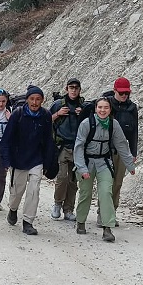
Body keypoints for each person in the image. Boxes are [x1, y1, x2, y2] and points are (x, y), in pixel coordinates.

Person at [74, 97, 136, 242]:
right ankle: (81, 221)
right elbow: (78, 147)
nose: (103, 110)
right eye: (100, 107)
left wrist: (129, 165)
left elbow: (121, 144)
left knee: (106, 192)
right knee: (85, 193)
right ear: (95, 108)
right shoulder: (86, 124)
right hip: (87, 162)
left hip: (104, 162)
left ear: (110, 109)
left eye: (106, 107)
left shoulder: (114, 125)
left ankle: (107, 228)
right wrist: (82, 168)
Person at [0, 85, 56, 235]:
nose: (35, 102)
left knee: (34, 190)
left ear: (43, 100)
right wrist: (6, 161)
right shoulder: (18, 115)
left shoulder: (46, 115)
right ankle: (13, 209)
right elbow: (6, 140)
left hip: (36, 159)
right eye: (32, 99)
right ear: (27, 100)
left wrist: (49, 163)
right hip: (18, 160)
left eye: (38, 99)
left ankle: (28, 222)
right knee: (17, 192)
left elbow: (49, 141)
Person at [49, 78, 87, 221]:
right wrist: (58, 114)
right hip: (62, 147)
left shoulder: (84, 106)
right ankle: (57, 204)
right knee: (62, 177)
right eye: (71, 87)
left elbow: (92, 121)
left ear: (80, 90)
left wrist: (83, 113)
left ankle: (68, 209)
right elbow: (46, 120)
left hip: (78, 148)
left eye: (76, 88)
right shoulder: (58, 104)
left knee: (73, 181)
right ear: (66, 89)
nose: (74, 90)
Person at [103, 77, 139, 227]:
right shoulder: (106, 104)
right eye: (122, 93)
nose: (125, 96)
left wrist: (133, 152)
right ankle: (103, 213)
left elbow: (134, 131)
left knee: (117, 183)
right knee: (106, 183)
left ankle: (112, 212)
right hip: (105, 150)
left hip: (122, 151)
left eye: (127, 93)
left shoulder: (132, 108)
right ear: (115, 91)